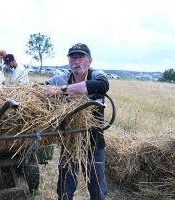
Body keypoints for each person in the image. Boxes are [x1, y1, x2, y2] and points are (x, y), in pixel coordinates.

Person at [44, 43, 109, 200]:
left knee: (97, 188)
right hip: (69, 141)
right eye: (73, 57)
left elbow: (103, 85)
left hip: (93, 141)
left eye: (81, 57)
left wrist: (62, 90)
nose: (76, 61)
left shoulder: (96, 75)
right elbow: (40, 87)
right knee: (65, 188)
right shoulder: (61, 78)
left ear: (89, 60)